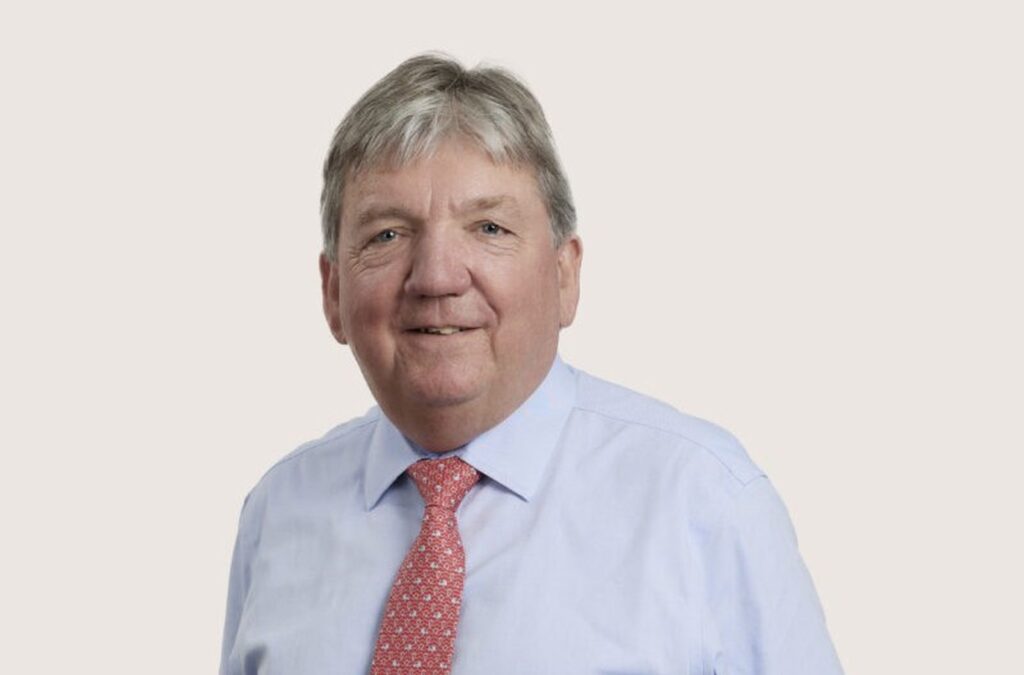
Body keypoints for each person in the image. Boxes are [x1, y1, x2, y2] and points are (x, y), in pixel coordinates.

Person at [219, 53, 843, 675]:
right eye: (387, 234)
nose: (436, 277)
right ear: (332, 292)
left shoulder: (705, 501)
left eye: (488, 228)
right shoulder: (279, 512)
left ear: (565, 275)